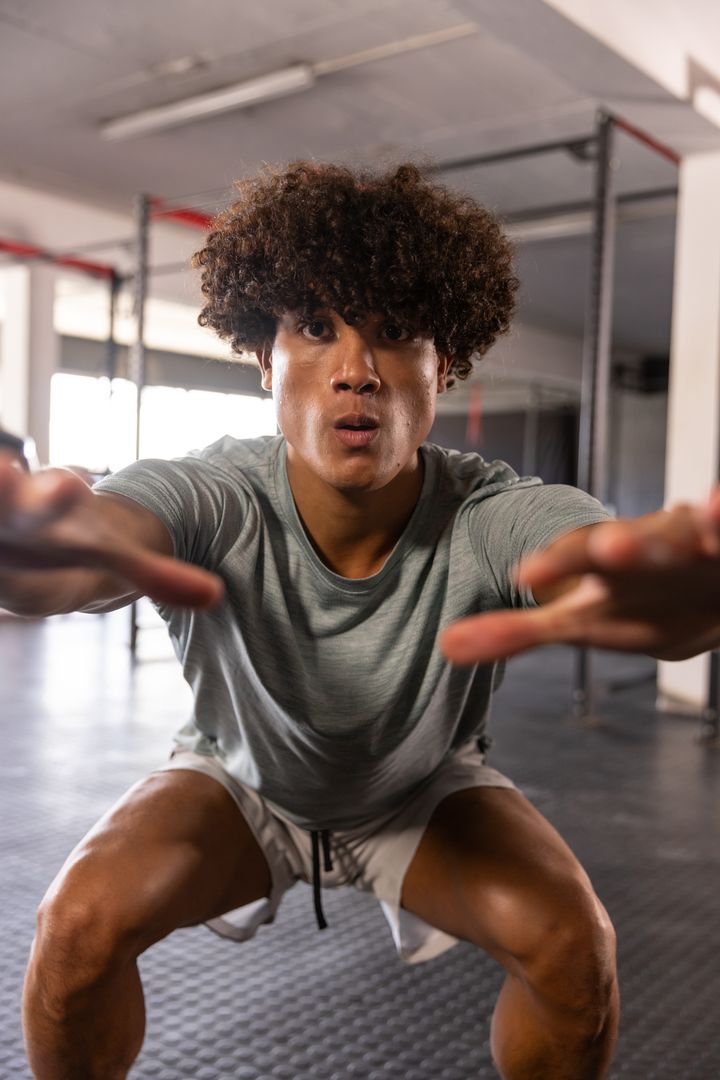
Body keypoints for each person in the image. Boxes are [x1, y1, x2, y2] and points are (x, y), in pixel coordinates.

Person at [1, 162, 719, 1080]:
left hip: (418, 793)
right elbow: (105, 537)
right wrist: (38, 560)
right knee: (76, 927)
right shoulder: (214, 491)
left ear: (443, 365)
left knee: (577, 948)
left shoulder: (487, 511)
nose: (355, 372)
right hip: (241, 785)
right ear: (265, 357)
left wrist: (674, 604)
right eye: (315, 329)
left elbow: (576, 555)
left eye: (395, 335)